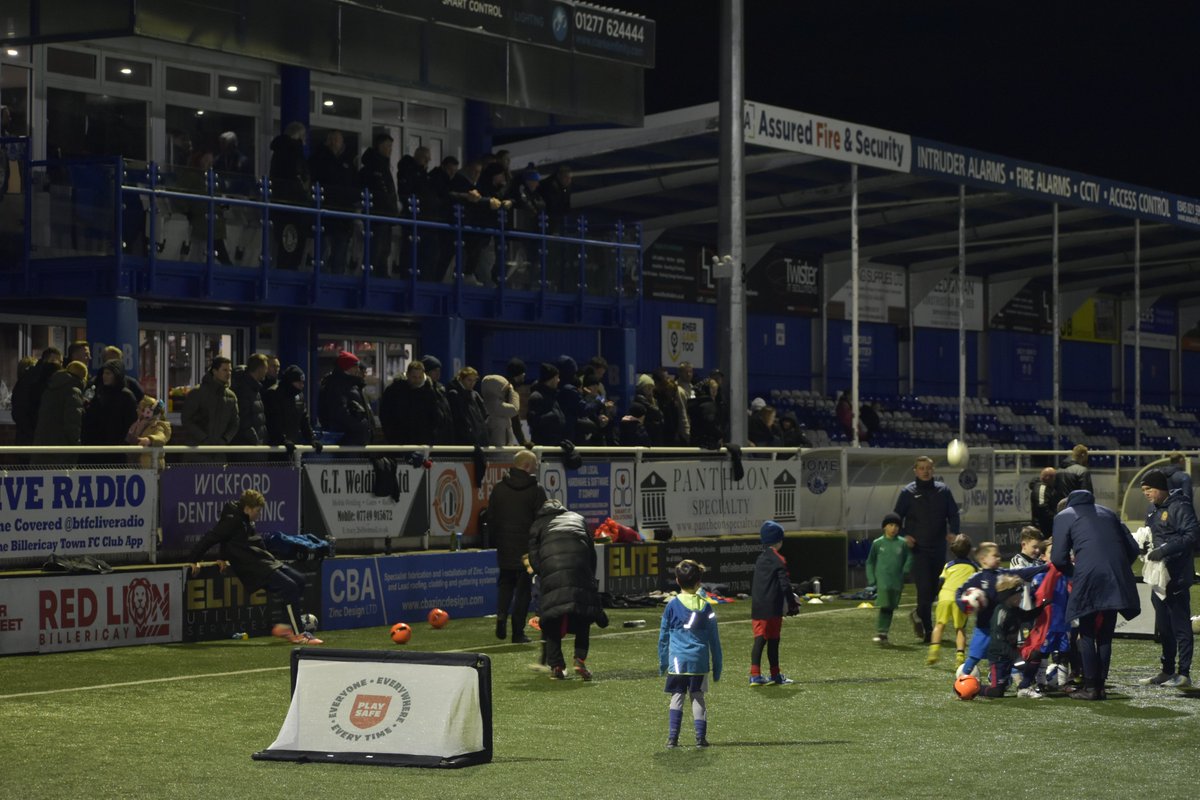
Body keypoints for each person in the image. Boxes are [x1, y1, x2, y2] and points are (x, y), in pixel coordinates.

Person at [188, 489, 323, 645]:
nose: (259, 515)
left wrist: (223, 556)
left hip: (263, 560)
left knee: (299, 580)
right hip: (252, 567)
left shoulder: (243, 518)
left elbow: (229, 540)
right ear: (247, 508)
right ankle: (299, 635)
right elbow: (211, 537)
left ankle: (284, 627)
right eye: (257, 511)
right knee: (290, 587)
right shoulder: (233, 520)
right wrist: (193, 560)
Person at [1050, 488, 1140, 700]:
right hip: (1115, 577)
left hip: (1088, 576)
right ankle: (1101, 686)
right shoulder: (1108, 513)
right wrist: (1117, 568)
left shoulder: (1064, 515)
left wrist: (1076, 574)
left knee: (1087, 631)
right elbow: (1133, 548)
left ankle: (1090, 687)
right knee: (1106, 634)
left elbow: (1058, 558)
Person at [527, 499, 609, 680]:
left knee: (551, 619)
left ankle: (556, 665)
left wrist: (546, 574)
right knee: (583, 615)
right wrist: (588, 574)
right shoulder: (578, 518)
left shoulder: (537, 525)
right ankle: (579, 659)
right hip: (580, 569)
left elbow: (534, 559)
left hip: (552, 571)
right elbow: (591, 552)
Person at [1138, 469, 1196, 689]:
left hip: (1177, 576)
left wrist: (1164, 550)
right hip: (1158, 578)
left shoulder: (1180, 506)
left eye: (1149, 489)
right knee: (1164, 627)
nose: (1146, 493)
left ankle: (1184, 673)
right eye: (1143, 490)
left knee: (1181, 626)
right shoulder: (1153, 509)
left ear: (1161, 488)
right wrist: (1144, 546)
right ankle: (1167, 670)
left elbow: (1191, 536)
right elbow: (1151, 536)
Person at [893, 455, 960, 643]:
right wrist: (904, 535)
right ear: (915, 471)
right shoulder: (908, 492)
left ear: (933, 470)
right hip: (918, 550)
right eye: (921, 468)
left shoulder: (943, 491)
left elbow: (953, 514)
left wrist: (954, 532)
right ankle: (929, 630)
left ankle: (918, 613)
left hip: (938, 547)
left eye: (928, 468)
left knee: (936, 588)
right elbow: (896, 518)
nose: (925, 471)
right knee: (924, 589)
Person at [955, 542, 1046, 680]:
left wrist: (1045, 567)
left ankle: (1006, 680)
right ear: (983, 559)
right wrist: (964, 605)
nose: (999, 558)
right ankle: (962, 679)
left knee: (1006, 655)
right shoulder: (976, 578)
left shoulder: (1002, 574)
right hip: (984, 628)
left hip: (1003, 628)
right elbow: (959, 591)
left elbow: (1023, 573)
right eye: (995, 555)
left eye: (999, 555)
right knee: (975, 656)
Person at [658, 559, 723, 749]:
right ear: (699, 582)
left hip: (677, 661)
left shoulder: (671, 606)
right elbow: (714, 639)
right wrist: (717, 666)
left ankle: (673, 738)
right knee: (698, 696)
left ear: (677, 581)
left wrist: (663, 662)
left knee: (677, 696)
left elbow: (663, 637)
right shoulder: (706, 607)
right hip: (699, 661)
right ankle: (700, 738)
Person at [488, 450, 547, 644]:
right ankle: (517, 632)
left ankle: (501, 615)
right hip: (527, 552)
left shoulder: (498, 488)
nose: (536, 469)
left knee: (505, 583)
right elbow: (541, 521)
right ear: (527, 466)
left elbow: (491, 518)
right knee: (524, 589)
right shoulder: (536, 490)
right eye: (535, 466)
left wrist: (497, 541)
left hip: (504, 546)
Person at [748, 520, 799, 685]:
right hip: (773, 606)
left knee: (759, 639)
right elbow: (785, 584)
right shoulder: (778, 559)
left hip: (758, 606)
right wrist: (792, 604)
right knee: (773, 640)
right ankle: (774, 675)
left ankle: (755, 675)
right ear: (779, 541)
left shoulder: (760, 559)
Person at [979, 576, 1036, 698]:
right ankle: (974, 687)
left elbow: (1027, 616)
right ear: (1009, 596)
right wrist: (1016, 657)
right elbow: (999, 641)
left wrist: (1044, 606)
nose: (1021, 597)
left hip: (1010, 655)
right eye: (1018, 595)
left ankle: (1024, 686)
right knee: (997, 692)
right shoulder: (1001, 612)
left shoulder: (1014, 609)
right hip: (999, 658)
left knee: (1033, 658)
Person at [927, 534, 977, 666]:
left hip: (945, 596)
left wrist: (937, 595)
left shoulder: (948, 566)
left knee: (939, 624)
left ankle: (934, 650)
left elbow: (941, 581)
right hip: (960, 599)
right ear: (969, 550)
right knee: (960, 628)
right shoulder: (973, 567)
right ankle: (960, 656)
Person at [268, 121, 311, 269]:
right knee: (294, 244)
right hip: (294, 204)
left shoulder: (277, 152)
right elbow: (299, 175)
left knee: (283, 243)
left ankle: (281, 269)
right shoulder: (294, 150)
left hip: (279, 202)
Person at [866, 513, 913, 644]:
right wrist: (871, 578)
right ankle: (881, 632)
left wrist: (906, 569)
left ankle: (884, 633)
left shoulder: (902, 543)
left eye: (896, 526)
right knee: (885, 604)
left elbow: (909, 557)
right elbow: (870, 561)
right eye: (891, 525)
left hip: (896, 581)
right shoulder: (878, 543)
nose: (894, 528)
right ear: (884, 527)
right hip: (882, 580)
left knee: (890, 606)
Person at [81, 358, 138, 464]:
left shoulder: (126, 396)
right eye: (104, 373)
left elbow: (131, 423)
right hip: (94, 447)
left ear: (117, 375)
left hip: (116, 448)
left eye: (108, 373)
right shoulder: (97, 393)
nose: (104, 376)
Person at [31, 360, 87, 466]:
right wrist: (76, 445)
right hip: (61, 450)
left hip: (42, 446)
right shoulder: (73, 391)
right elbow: (72, 423)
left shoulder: (50, 388)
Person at [359, 132, 399, 275]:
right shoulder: (375, 167)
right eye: (388, 146)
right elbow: (379, 190)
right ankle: (373, 276)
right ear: (380, 146)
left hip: (385, 213)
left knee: (384, 249)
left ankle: (380, 275)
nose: (390, 150)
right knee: (376, 248)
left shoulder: (383, 166)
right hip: (377, 213)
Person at [181, 357, 239, 453]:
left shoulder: (231, 396)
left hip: (219, 452)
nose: (228, 373)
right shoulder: (197, 393)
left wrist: (225, 439)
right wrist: (203, 438)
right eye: (224, 370)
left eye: (230, 370)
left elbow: (235, 423)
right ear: (215, 371)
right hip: (197, 451)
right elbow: (187, 419)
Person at [316, 350, 373, 446]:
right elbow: (340, 413)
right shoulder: (336, 386)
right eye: (355, 366)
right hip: (345, 439)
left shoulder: (353, 385)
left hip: (355, 438)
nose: (358, 370)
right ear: (347, 367)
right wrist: (360, 426)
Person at [380, 359, 440, 445]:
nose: (417, 380)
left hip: (422, 441)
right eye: (414, 377)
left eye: (420, 377)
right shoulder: (395, 390)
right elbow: (385, 413)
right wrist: (391, 435)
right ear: (407, 375)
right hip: (399, 441)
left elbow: (435, 416)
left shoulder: (428, 392)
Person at [11, 346, 62, 447]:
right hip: (40, 438)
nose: (60, 366)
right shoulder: (50, 380)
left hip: (26, 437)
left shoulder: (27, 378)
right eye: (58, 362)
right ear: (48, 360)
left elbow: (18, 409)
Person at [263, 365, 314, 447]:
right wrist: (282, 440)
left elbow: (304, 419)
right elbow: (272, 421)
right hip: (275, 445)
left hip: (292, 443)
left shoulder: (298, 395)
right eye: (299, 382)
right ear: (290, 382)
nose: (302, 385)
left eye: (302, 382)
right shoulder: (273, 394)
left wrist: (311, 439)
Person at [230, 353, 269, 447]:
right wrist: (256, 440)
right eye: (265, 368)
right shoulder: (244, 389)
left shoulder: (254, 388)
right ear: (260, 369)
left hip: (253, 444)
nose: (266, 372)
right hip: (247, 445)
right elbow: (244, 419)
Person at [125, 396, 172, 468]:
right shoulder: (137, 424)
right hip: (136, 464)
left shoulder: (157, 426)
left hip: (151, 465)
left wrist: (150, 440)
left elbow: (161, 437)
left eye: (140, 409)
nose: (137, 410)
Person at [446, 366, 487, 446]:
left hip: (475, 437)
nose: (472, 383)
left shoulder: (474, 395)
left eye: (474, 380)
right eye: (469, 380)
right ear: (461, 379)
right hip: (463, 439)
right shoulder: (455, 394)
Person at [527, 362, 565, 446]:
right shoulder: (536, 397)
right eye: (557, 377)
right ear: (552, 379)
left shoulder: (552, 396)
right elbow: (534, 422)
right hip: (543, 447)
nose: (558, 380)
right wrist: (554, 416)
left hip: (555, 446)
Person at [480, 373, 519, 446]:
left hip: (498, 447)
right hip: (499, 449)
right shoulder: (495, 404)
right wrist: (513, 392)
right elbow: (515, 409)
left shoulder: (486, 403)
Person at [1030, 466, 1064, 536]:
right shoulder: (1041, 489)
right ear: (1048, 478)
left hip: (1046, 527)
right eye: (1054, 477)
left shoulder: (1049, 489)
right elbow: (1042, 508)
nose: (1055, 480)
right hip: (1042, 529)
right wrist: (1055, 519)